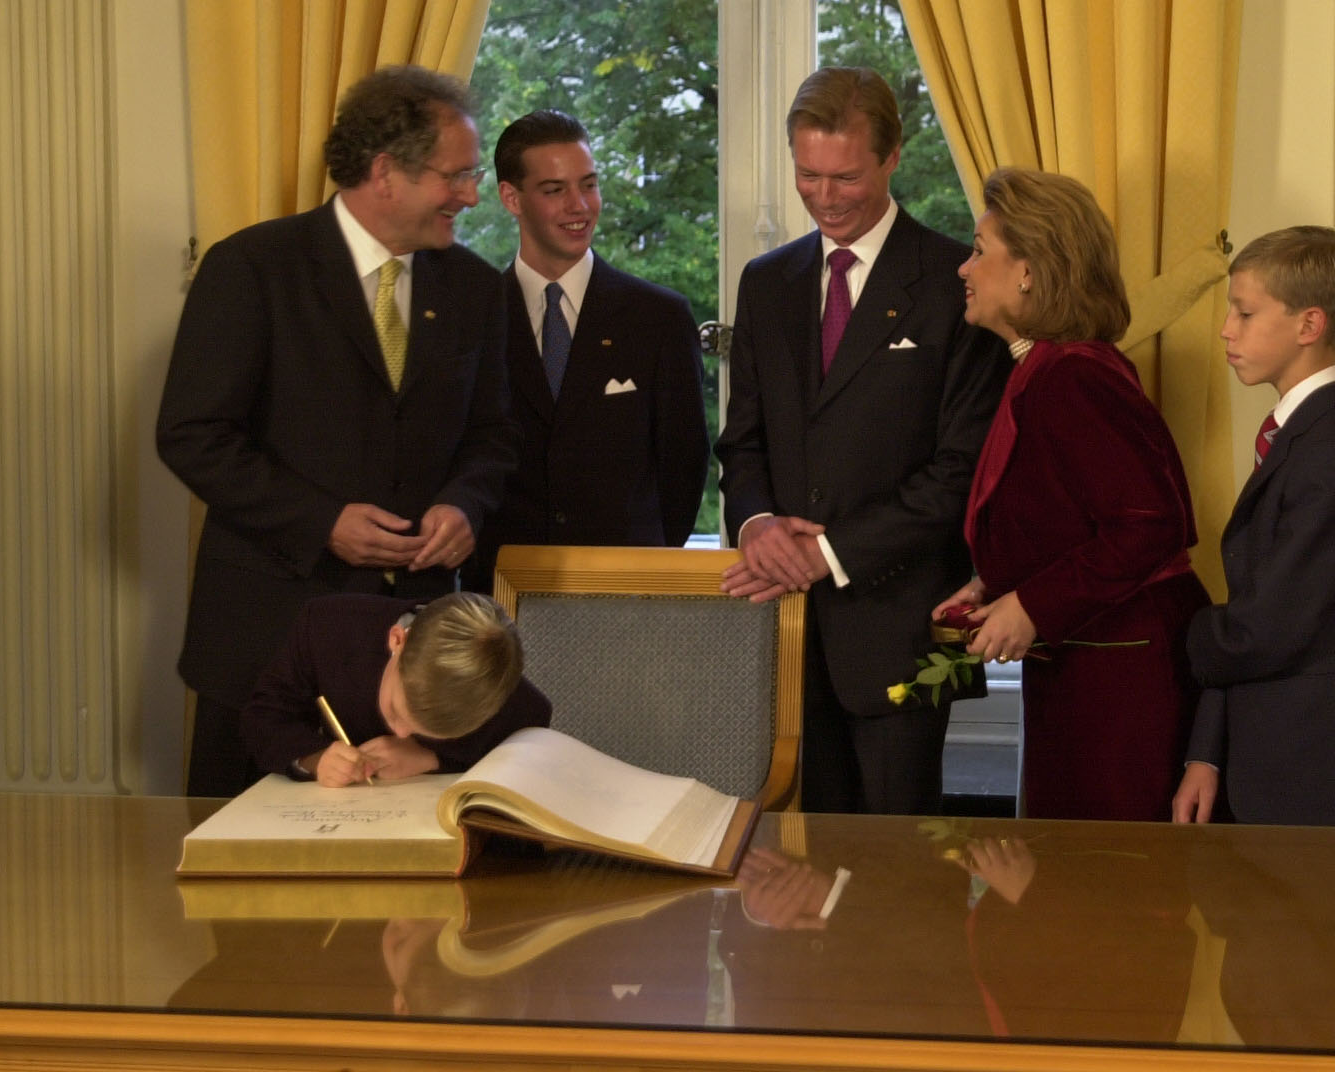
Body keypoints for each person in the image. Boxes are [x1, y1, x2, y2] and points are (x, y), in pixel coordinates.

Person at [156, 65, 517, 797]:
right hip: (263, 642)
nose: (473, 195)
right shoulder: (252, 269)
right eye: (457, 175)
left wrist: (463, 506)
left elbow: (497, 435)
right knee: (243, 894)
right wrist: (322, 523)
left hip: (414, 661)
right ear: (386, 172)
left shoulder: (476, 288)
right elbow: (193, 434)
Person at [715, 67, 1010, 815]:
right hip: (778, 634)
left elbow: (961, 474)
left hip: (904, 630)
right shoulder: (766, 282)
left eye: (844, 177)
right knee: (795, 888)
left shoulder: (956, 282)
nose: (823, 197)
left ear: (892, 158)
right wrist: (756, 526)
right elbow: (742, 443)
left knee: (901, 890)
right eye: (806, 175)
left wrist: (825, 554)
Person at [933, 167, 1206, 821]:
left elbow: (1150, 525)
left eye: (978, 250)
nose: (963, 269)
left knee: (1107, 890)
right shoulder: (1050, 367)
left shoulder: (1073, 375)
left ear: (1027, 270)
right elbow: (1070, 519)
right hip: (1089, 666)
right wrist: (992, 585)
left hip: (1121, 680)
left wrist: (1029, 605)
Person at [1171, 227, 1335, 827]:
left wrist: (1178, 627)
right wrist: (1207, 753)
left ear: (1309, 325)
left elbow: (1263, 628)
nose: (1226, 328)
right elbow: (1252, 610)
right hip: (1267, 751)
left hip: (1314, 762)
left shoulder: (1334, 453)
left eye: (1244, 312)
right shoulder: (1298, 439)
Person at [465, 109, 709, 591]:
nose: (580, 206)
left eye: (589, 184)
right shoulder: (472, 318)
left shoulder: (658, 318)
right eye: (555, 190)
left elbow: (683, 469)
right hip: (496, 597)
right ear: (510, 198)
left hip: (625, 594)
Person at [240, 591, 551, 785]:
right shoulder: (326, 627)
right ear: (397, 640)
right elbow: (263, 717)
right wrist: (315, 758)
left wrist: (432, 756)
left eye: (429, 731)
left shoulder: (492, 681)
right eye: (396, 711)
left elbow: (530, 732)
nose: (401, 735)